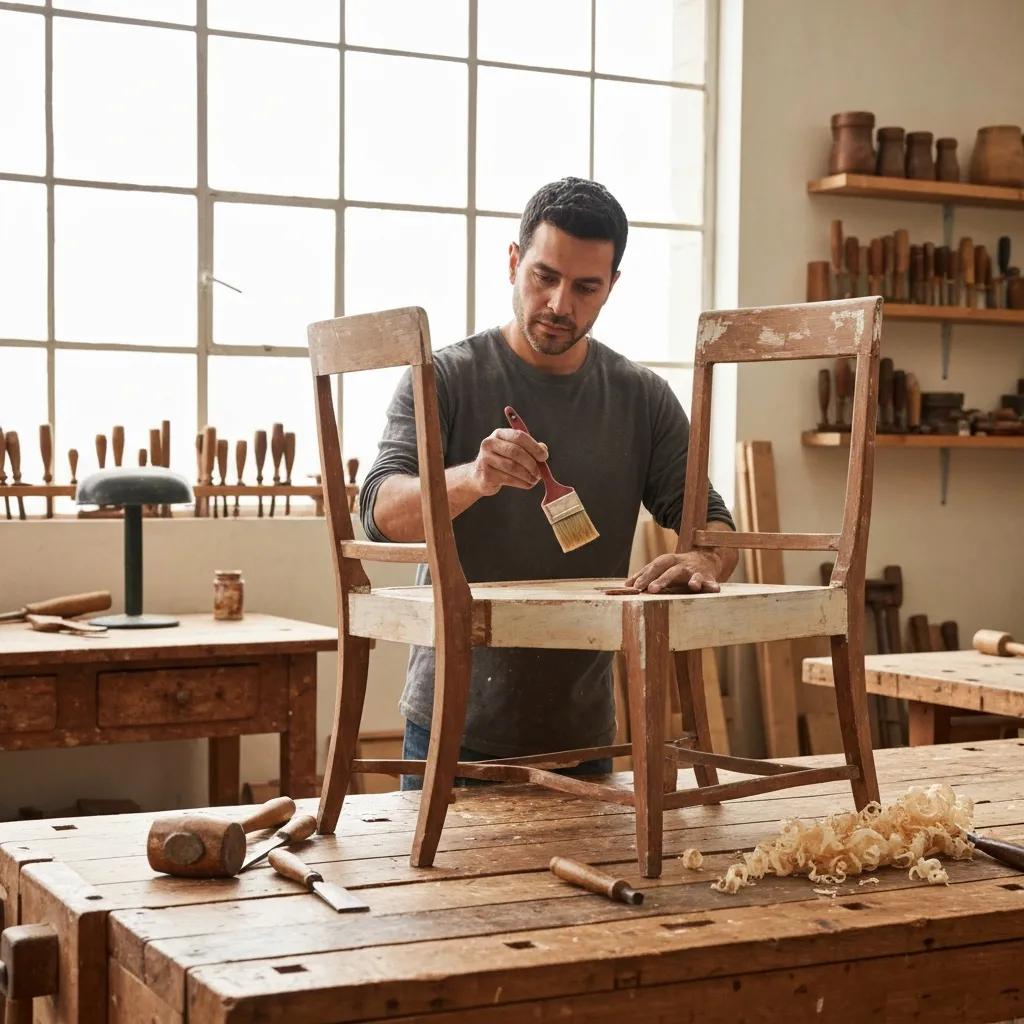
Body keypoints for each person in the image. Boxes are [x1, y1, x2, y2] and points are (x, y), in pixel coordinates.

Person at [359, 177, 737, 789]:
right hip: (451, 726)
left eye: (586, 286)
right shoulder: (444, 380)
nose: (561, 303)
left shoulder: (642, 398)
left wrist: (703, 560)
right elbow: (377, 512)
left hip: (582, 733)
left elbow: (715, 522)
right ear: (514, 262)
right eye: (544, 276)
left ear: (611, 286)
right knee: (436, 888)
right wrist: (474, 479)